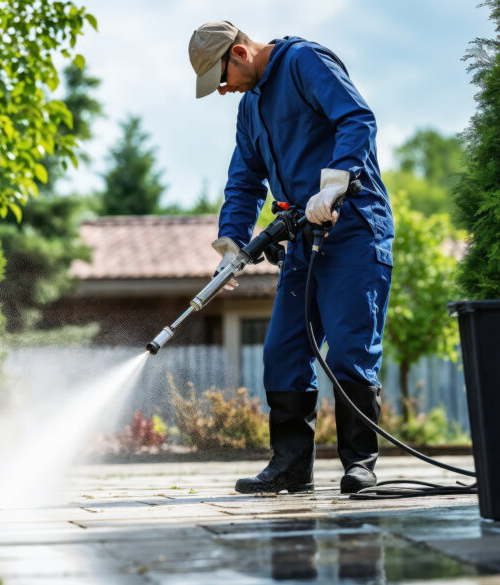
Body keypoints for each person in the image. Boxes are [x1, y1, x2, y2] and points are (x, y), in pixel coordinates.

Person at [188, 21, 395, 494]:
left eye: (221, 79)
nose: (222, 91)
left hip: (354, 231)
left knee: (349, 348)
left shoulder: (305, 62)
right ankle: (290, 467)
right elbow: (244, 180)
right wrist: (230, 244)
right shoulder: (250, 107)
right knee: (282, 351)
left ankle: (359, 464)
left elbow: (357, 119)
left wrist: (334, 182)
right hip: (304, 240)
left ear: (239, 52)